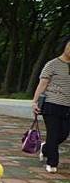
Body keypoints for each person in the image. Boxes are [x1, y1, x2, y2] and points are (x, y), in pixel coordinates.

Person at [32, 35, 70, 173]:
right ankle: (52, 163)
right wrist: (35, 102)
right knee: (53, 134)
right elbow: (42, 84)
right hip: (51, 104)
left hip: (67, 107)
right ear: (65, 45)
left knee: (64, 134)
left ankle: (45, 148)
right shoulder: (52, 64)